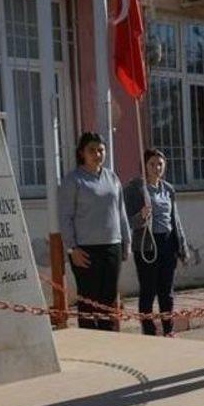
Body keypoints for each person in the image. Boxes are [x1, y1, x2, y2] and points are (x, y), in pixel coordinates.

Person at [58, 132, 130, 331]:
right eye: (92, 150)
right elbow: (65, 217)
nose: (97, 154)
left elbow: (121, 211)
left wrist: (126, 240)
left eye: (101, 150)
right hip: (85, 250)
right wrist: (72, 249)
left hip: (112, 246)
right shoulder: (73, 180)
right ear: (82, 153)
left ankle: (109, 339)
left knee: (108, 300)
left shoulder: (112, 178)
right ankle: (89, 340)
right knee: (89, 300)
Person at [123, 149, 188, 336]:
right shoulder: (135, 189)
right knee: (148, 289)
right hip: (147, 245)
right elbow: (127, 220)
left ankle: (168, 329)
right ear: (144, 166)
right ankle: (149, 331)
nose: (157, 168)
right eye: (152, 164)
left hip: (167, 242)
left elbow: (175, 219)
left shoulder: (168, 189)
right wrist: (141, 216)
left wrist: (182, 246)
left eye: (160, 164)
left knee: (166, 290)